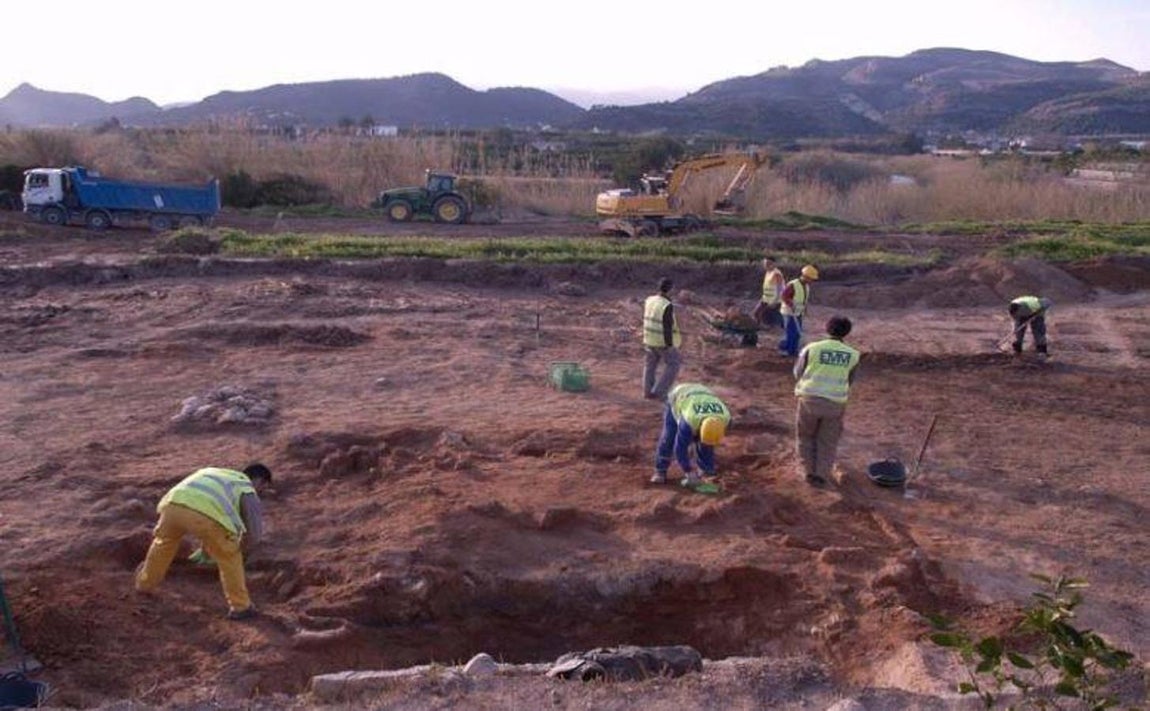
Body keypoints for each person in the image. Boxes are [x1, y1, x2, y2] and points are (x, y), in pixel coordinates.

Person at [135, 463, 273, 620]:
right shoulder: (246, 488)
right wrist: (240, 550)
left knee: (163, 544)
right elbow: (254, 534)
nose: (261, 493)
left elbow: (205, 505)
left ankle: (144, 585)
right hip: (203, 515)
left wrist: (207, 550)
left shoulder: (214, 472)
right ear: (260, 481)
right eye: (264, 489)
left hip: (172, 505)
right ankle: (241, 607)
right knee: (230, 557)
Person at [793, 316, 860, 487]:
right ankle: (822, 474)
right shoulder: (853, 355)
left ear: (827, 328)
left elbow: (797, 372)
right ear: (847, 332)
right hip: (835, 403)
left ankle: (807, 471)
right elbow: (850, 380)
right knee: (827, 441)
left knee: (806, 436)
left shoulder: (812, 348)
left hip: (809, 399)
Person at [650, 382, 731, 488]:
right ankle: (660, 471)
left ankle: (706, 471)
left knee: (706, 443)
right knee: (669, 436)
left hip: (703, 393)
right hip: (680, 395)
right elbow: (680, 449)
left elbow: (709, 438)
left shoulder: (726, 419)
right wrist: (688, 471)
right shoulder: (689, 422)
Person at [642, 277, 682, 400]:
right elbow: (667, 327)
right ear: (670, 290)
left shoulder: (650, 300)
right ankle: (659, 392)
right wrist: (669, 345)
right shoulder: (667, 305)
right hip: (662, 342)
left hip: (649, 339)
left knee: (650, 366)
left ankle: (647, 392)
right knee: (673, 365)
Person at [778, 265, 819, 357]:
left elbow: (803, 300)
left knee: (797, 333)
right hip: (789, 313)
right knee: (791, 332)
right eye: (811, 279)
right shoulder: (793, 284)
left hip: (798, 312)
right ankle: (786, 350)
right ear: (806, 276)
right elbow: (784, 296)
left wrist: (805, 309)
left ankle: (793, 350)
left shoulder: (806, 286)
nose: (812, 281)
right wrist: (791, 304)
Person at [751, 255, 786, 331]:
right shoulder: (768, 273)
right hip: (766, 299)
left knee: (771, 316)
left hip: (774, 300)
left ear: (774, 264)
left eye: (768, 263)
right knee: (757, 313)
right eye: (765, 263)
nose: (766, 265)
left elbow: (780, 289)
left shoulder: (776, 274)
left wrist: (775, 300)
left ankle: (777, 329)